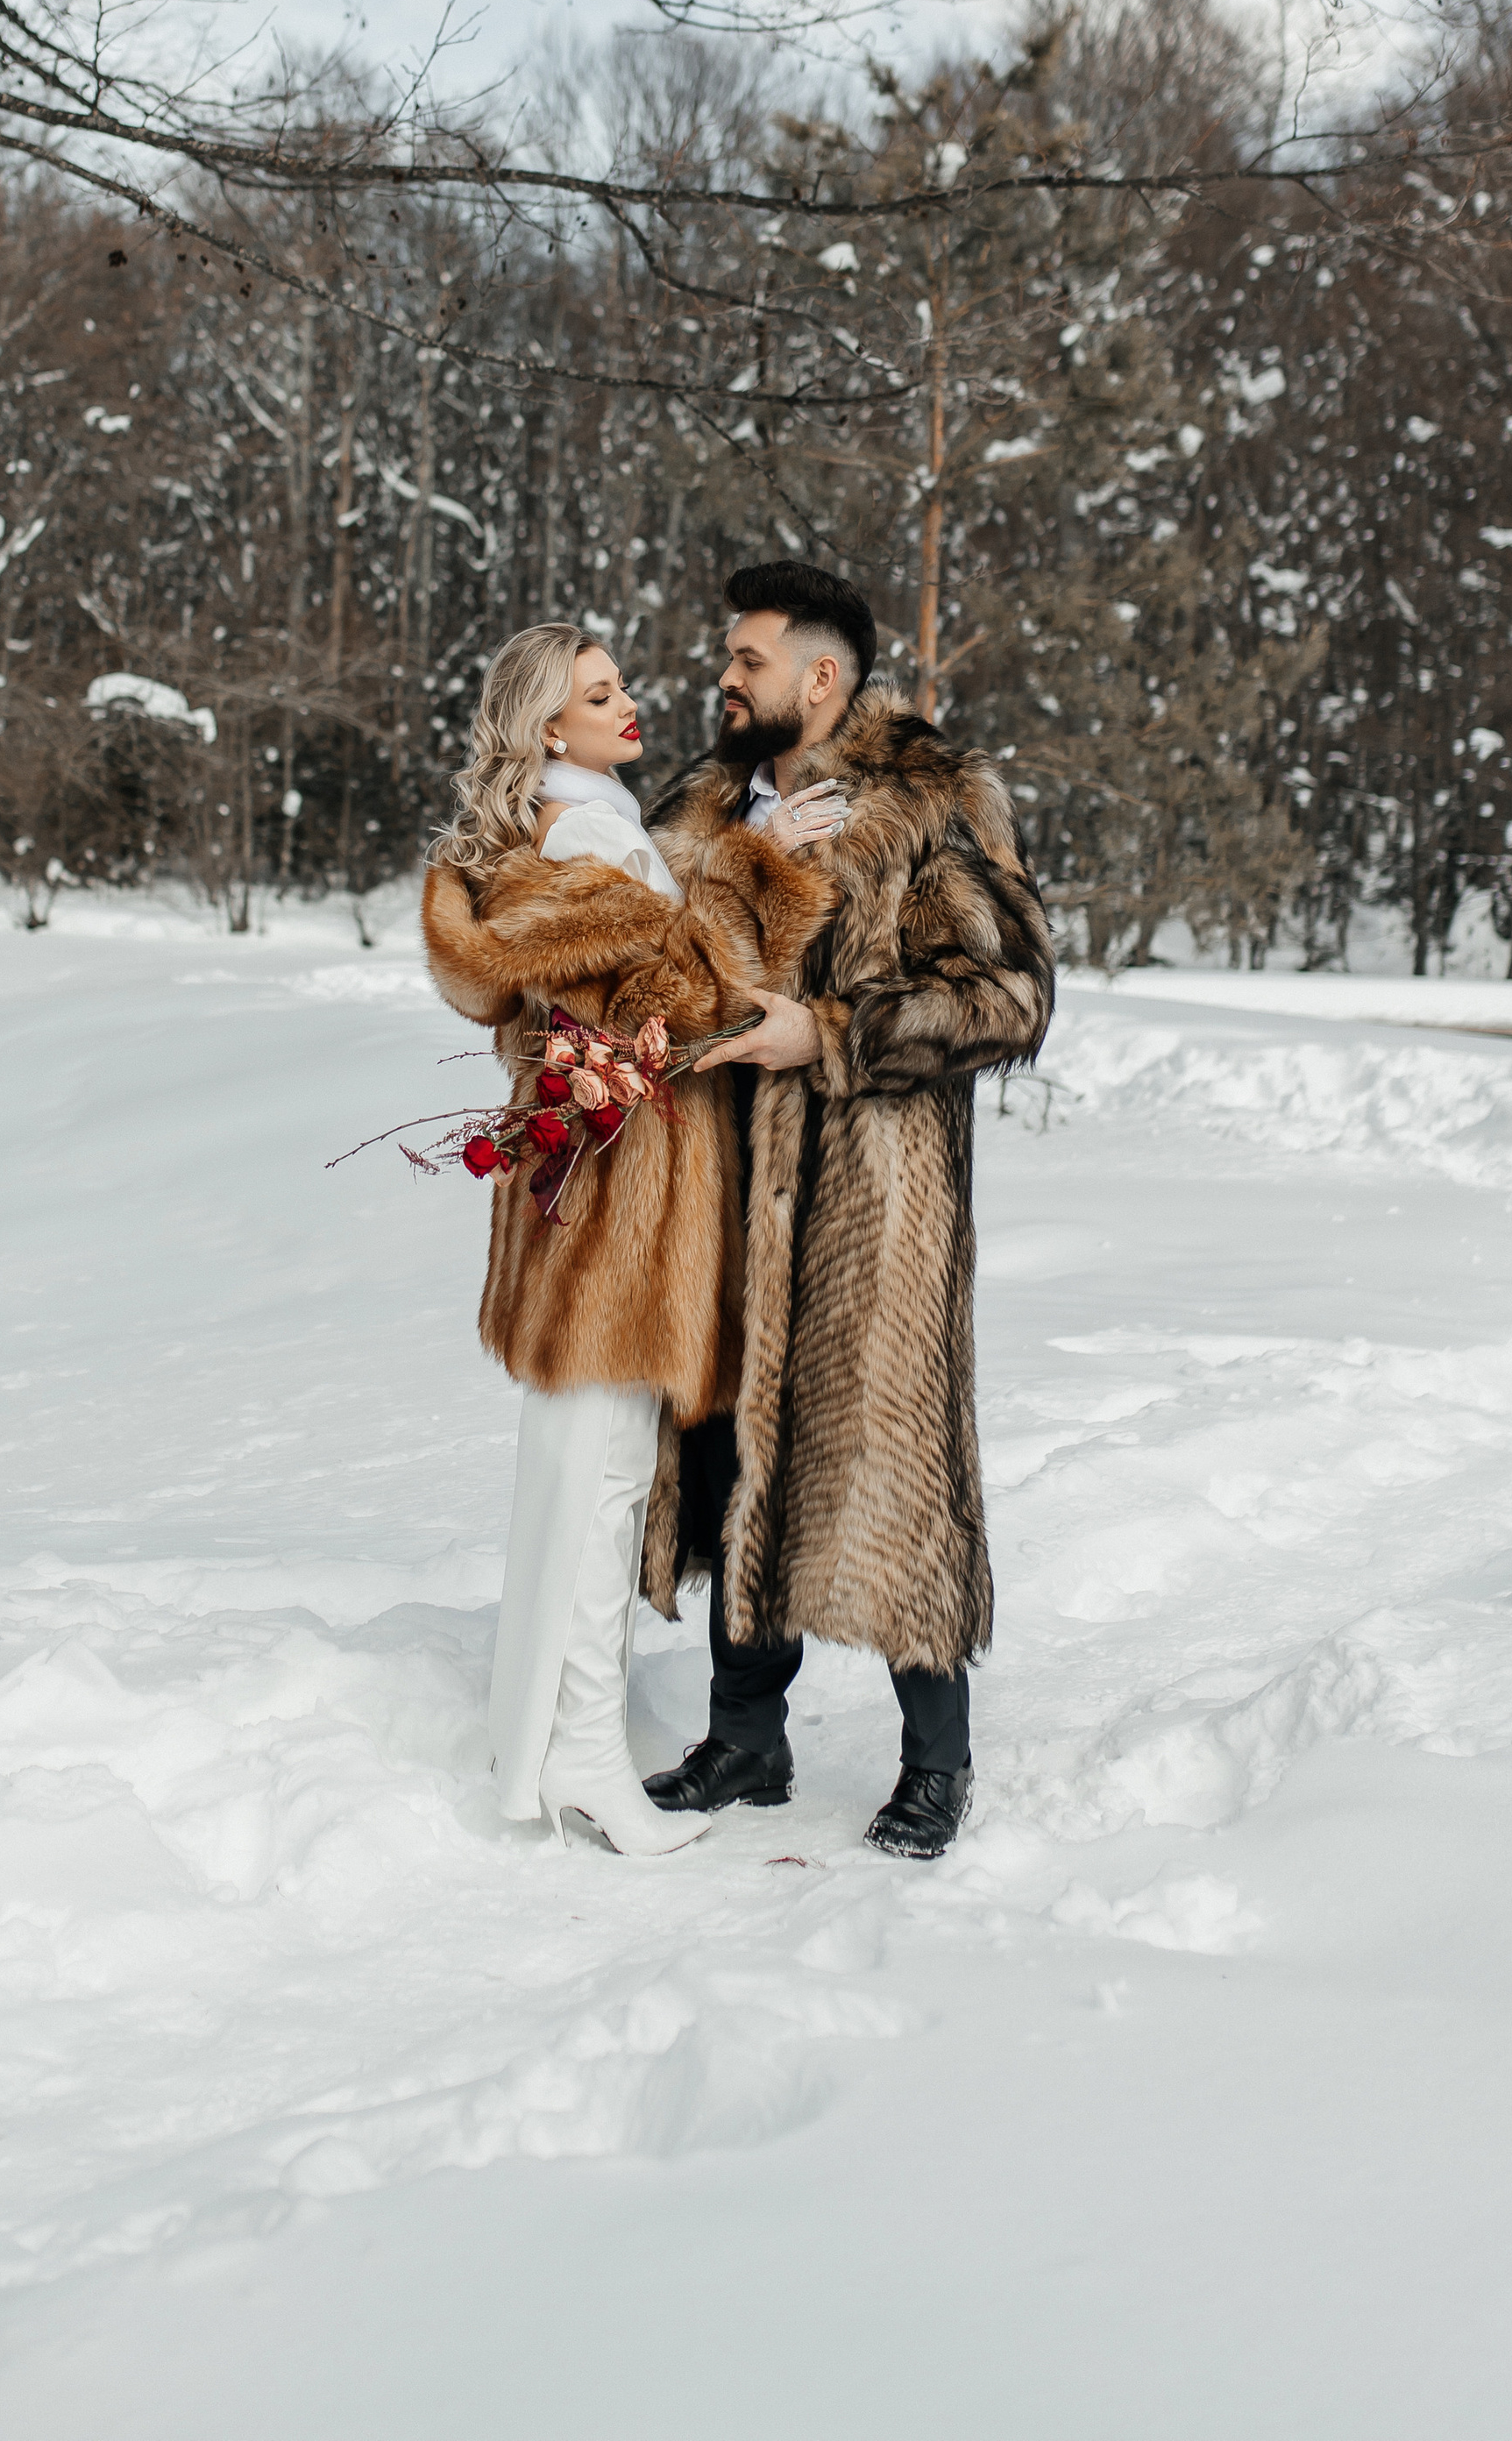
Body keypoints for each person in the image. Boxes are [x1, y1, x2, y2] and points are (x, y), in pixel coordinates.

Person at [640, 562, 1055, 1859]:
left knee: (887, 1469)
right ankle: (745, 1739)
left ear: (821, 677)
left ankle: (937, 1762)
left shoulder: (932, 804)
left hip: (872, 1210)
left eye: (746, 659)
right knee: (729, 1454)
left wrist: (821, 1033)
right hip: (718, 1194)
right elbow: (643, 956)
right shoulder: (706, 805)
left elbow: (1009, 999)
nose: (724, 678)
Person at [422, 623, 832, 1856]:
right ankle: (585, 1761)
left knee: (580, 1479)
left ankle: (541, 1747)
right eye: (601, 695)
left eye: (620, 686)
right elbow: (678, 997)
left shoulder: (550, 825)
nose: (629, 704)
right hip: (618, 1209)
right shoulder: (589, 832)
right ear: (551, 728)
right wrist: (762, 867)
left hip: (578, 1192)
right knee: (603, 1484)